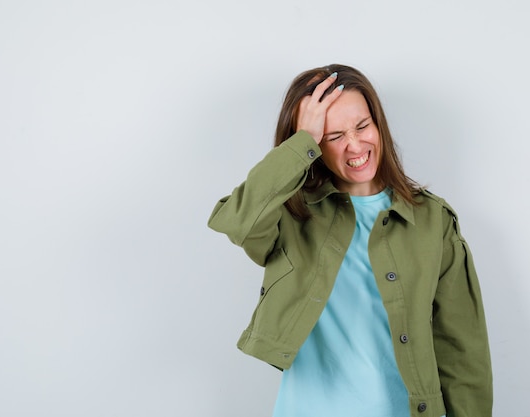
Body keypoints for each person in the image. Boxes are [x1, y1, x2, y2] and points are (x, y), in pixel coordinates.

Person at [208, 64, 492, 417]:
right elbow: (236, 221)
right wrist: (301, 143)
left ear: (378, 124)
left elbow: (462, 349)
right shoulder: (289, 215)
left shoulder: (433, 221)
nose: (355, 145)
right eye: (332, 135)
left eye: (362, 126)